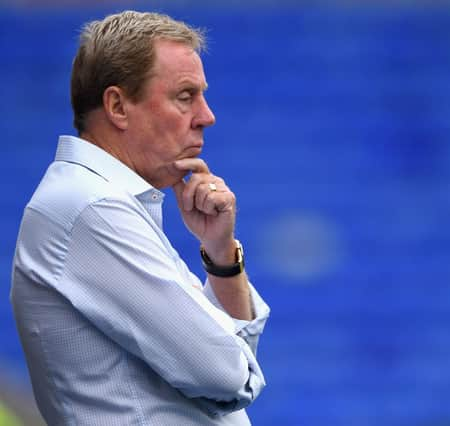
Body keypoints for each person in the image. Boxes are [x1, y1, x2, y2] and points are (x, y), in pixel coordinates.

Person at [10, 11, 269, 425]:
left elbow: (233, 378)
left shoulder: (104, 201)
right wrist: (234, 363)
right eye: (186, 96)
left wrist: (221, 255)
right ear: (117, 106)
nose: (207, 115)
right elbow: (229, 377)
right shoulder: (91, 208)